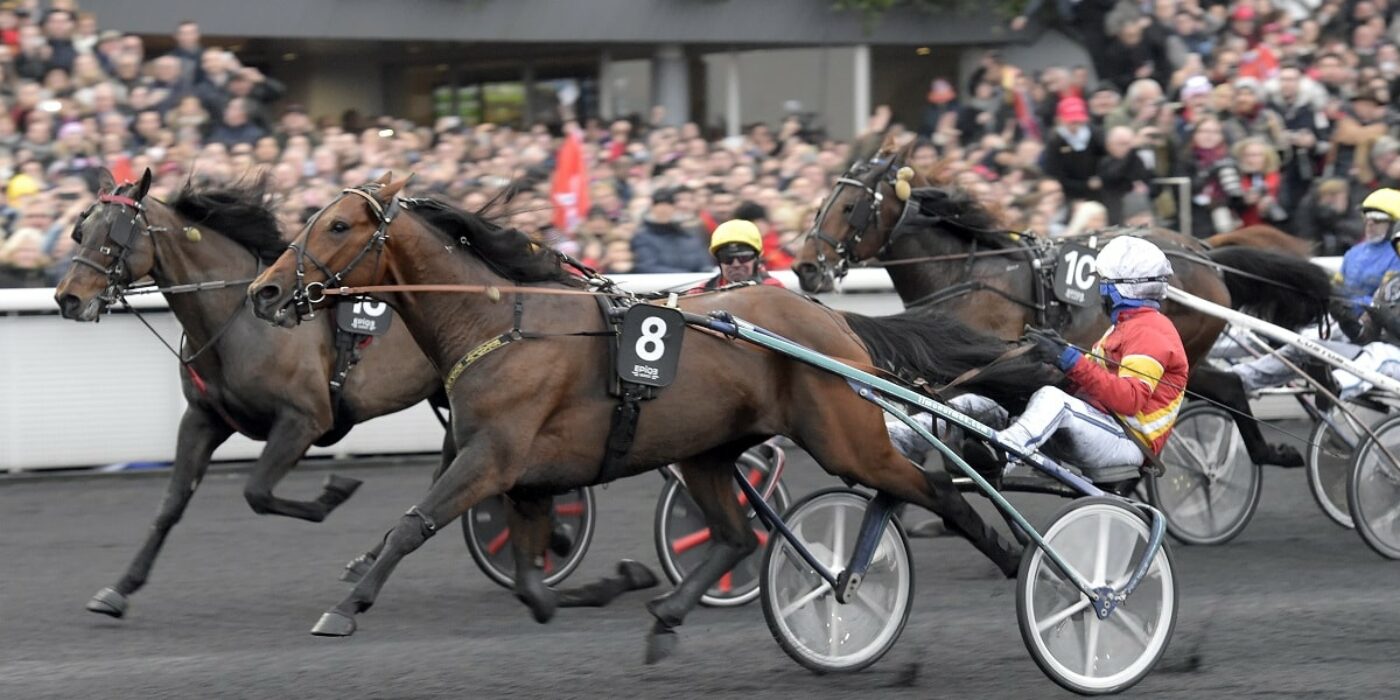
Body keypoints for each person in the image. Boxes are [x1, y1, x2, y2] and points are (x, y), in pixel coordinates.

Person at [889, 236, 1188, 484]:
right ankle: (901, 436)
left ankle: (1003, 456)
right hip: (1099, 426)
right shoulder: (1124, 327)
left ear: (1122, 287)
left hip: (1127, 442)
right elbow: (1094, 380)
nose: (1100, 290)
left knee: (1050, 399)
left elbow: (1128, 400)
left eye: (1104, 283)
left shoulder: (1151, 332)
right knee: (983, 402)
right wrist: (1053, 353)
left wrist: (1068, 358)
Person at [693, 219, 786, 292]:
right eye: (727, 258)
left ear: (757, 258)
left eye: (743, 258)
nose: (736, 264)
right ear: (718, 260)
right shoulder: (701, 291)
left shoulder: (774, 289)